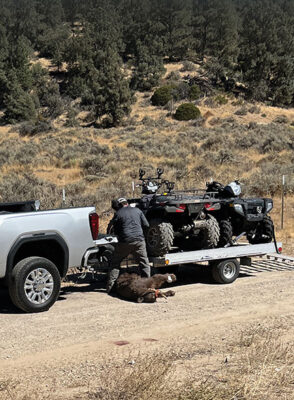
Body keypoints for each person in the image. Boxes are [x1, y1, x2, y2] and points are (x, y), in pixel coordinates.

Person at [106, 197, 151, 294]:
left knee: (115, 263)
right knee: (144, 263)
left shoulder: (118, 213)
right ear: (127, 203)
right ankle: (147, 285)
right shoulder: (138, 210)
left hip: (125, 242)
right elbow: (146, 225)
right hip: (139, 241)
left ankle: (111, 288)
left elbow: (115, 230)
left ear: (119, 205)